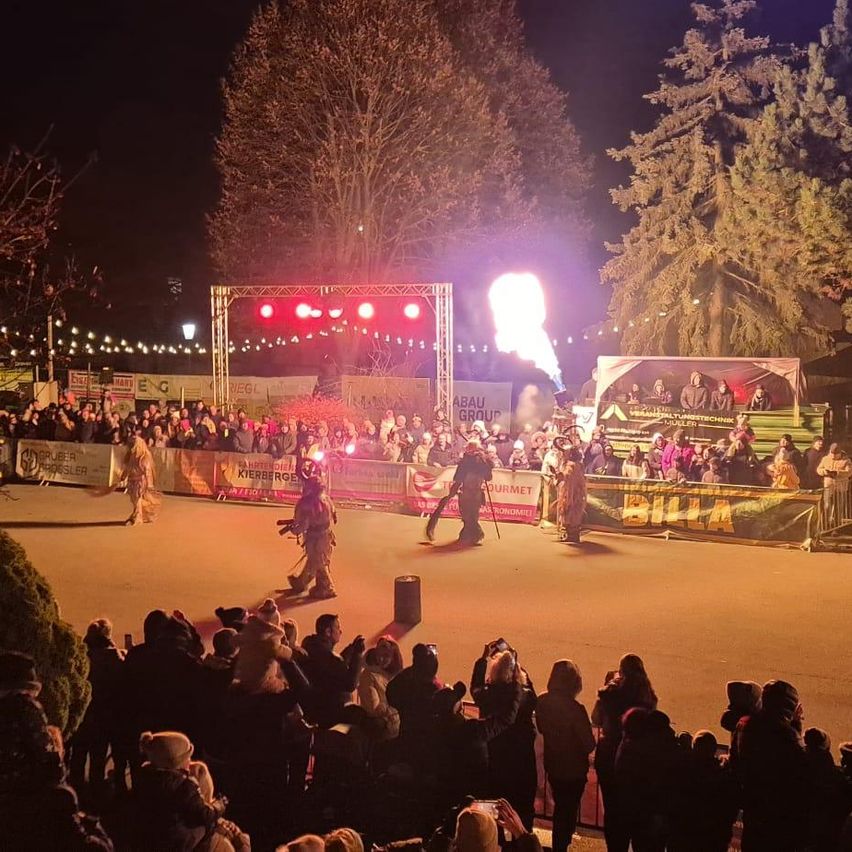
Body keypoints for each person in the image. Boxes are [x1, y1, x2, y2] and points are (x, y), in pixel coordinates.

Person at [591, 655, 658, 852]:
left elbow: (596, 719)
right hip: (637, 759)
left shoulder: (610, 694)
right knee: (636, 810)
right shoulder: (647, 695)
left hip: (609, 756)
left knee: (613, 810)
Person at [731, 680, 808, 852]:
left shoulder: (744, 724)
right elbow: (801, 771)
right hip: (778, 815)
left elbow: (735, 761)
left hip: (752, 806)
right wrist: (796, 725)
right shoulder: (788, 735)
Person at [471, 646, 538, 830]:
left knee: (495, 804)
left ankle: (495, 837)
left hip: (495, 758)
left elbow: (475, 687)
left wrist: (483, 659)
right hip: (521, 761)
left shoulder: (487, 694)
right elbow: (533, 695)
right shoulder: (524, 695)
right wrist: (517, 666)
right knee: (523, 805)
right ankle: (523, 838)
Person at [535, 660, 596, 852]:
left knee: (562, 809)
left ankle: (561, 843)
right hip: (573, 770)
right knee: (567, 812)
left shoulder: (542, 701)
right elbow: (589, 743)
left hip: (554, 766)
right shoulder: (576, 709)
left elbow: (542, 728)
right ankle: (561, 845)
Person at [68, 618, 126, 797]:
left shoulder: (80, 656)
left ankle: (75, 796)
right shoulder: (115, 657)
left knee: (77, 759)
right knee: (98, 761)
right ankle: (96, 798)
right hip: (104, 717)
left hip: (82, 716)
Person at [300, 614, 366, 728]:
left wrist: (351, 648)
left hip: (316, 707)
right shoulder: (324, 655)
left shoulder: (313, 648)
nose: (340, 631)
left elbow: (336, 667)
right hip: (329, 712)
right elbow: (350, 684)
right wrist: (358, 655)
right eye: (338, 627)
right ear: (328, 632)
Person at [386, 644, 442, 772]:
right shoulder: (434, 691)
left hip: (406, 735)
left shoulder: (405, 682)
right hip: (428, 745)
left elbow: (391, 692)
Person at [281, 476, 338, 599]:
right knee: (315, 560)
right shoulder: (327, 499)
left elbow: (303, 525)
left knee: (319, 562)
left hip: (316, 537)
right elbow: (334, 515)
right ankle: (301, 583)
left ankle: (327, 587)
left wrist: (294, 530)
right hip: (325, 535)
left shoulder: (306, 504)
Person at [357, 636, 403, 742]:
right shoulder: (369, 675)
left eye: (386, 656)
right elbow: (374, 708)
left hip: (395, 724)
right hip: (382, 727)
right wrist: (395, 711)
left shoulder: (396, 675)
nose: (381, 659)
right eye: (379, 655)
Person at [453, 439, 494, 545]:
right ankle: (467, 534)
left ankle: (475, 535)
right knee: (465, 513)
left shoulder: (482, 460)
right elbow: (458, 475)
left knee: (473, 514)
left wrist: (484, 459)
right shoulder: (465, 460)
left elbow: (488, 476)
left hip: (476, 491)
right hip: (465, 490)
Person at [122, 435, 161, 526]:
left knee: (137, 498)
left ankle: (138, 516)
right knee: (134, 499)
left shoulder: (144, 457)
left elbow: (147, 471)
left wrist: (150, 484)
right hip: (132, 481)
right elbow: (128, 468)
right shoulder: (131, 456)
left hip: (140, 481)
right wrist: (124, 476)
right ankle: (142, 514)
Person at [817, 443, 852, 529]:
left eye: (835, 454)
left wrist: (837, 473)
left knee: (838, 509)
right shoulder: (825, 459)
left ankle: (836, 528)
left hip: (840, 488)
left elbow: (849, 472)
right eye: (831, 453)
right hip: (828, 487)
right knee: (826, 506)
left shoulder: (846, 461)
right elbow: (819, 469)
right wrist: (824, 472)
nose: (833, 456)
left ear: (839, 453)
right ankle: (824, 526)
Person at [556, 446, 587, 544]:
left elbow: (567, 475)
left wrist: (560, 475)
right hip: (577, 493)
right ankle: (574, 535)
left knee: (568, 512)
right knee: (574, 514)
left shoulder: (571, 465)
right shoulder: (579, 465)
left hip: (570, 494)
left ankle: (570, 535)